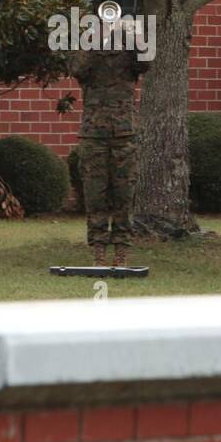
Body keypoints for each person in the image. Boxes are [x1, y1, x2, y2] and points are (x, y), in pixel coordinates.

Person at [69, 29, 150, 267]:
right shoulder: (87, 48)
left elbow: (145, 62)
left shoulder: (128, 51)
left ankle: (122, 250)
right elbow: (77, 68)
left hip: (124, 134)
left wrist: (131, 33)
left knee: (124, 194)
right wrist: (94, 38)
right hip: (93, 134)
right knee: (95, 195)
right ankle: (99, 252)